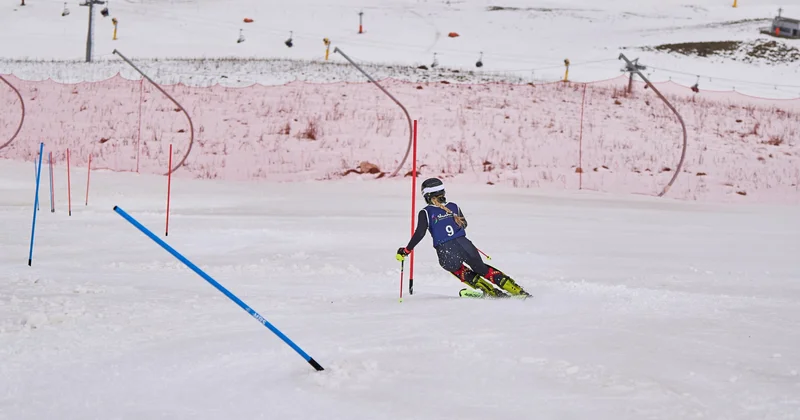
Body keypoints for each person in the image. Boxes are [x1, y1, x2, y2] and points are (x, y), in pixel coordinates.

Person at [396, 178, 530, 298]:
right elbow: (464, 224)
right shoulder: (454, 206)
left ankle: (491, 292)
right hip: (465, 245)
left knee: (456, 268)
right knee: (482, 268)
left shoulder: (426, 212)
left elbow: (420, 233)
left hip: (446, 249)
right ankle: (517, 290)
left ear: (427, 196)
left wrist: (406, 251)